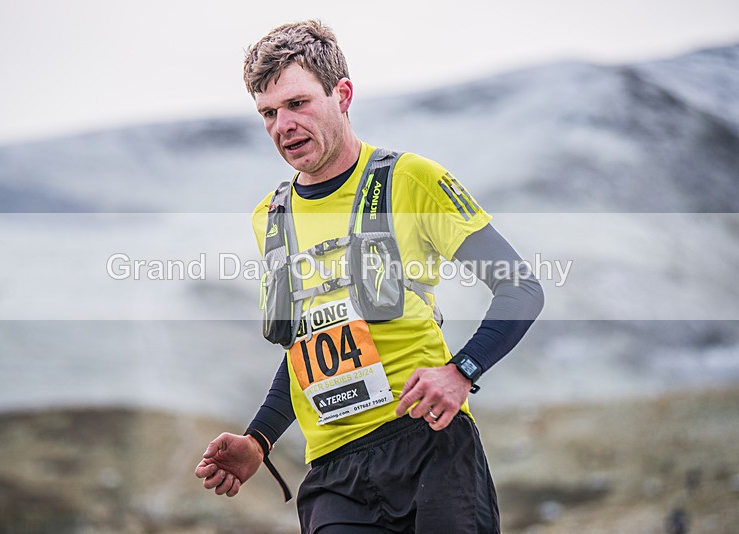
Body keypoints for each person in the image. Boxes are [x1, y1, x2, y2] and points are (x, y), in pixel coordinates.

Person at [195, 20, 544, 533]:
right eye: (268, 113)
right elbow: (306, 344)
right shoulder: (270, 217)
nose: (282, 125)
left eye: (297, 104)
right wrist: (260, 440)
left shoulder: (413, 179)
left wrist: (461, 370)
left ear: (343, 94)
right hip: (335, 479)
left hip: (428, 445)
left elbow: (520, 287)